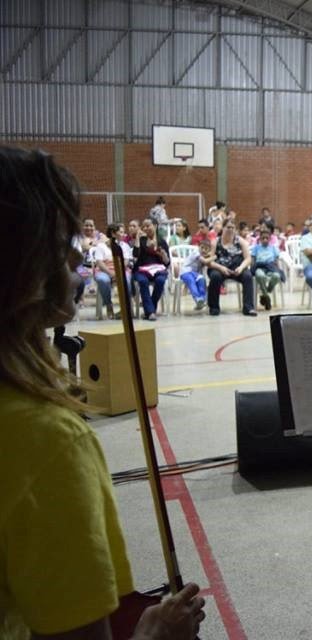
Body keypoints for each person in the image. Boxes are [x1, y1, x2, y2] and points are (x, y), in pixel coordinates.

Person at [0, 146, 206, 639]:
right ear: (18, 264)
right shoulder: (44, 438)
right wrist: (154, 632)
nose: (76, 255)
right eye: (59, 240)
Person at [206, 219, 256, 316]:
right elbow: (209, 262)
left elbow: (248, 259)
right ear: (223, 228)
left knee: (248, 276)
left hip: (236, 267)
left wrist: (241, 268)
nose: (230, 230)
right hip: (219, 267)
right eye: (228, 227)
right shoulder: (215, 242)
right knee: (215, 277)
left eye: (232, 228)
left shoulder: (241, 241)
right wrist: (221, 268)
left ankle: (248, 308)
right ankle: (214, 307)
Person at [132, 218, 170, 321]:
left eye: (148, 225)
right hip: (141, 269)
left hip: (158, 269)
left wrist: (164, 255)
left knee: (160, 280)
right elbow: (135, 255)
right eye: (143, 226)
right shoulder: (141, 240)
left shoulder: (161, 241)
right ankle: (151, 312)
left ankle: (150, 310)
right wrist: (137, 238)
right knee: (142, 281)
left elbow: (167, 263)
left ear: (155, 226)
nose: (145, 228)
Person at [251, 229, 282, 310]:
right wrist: (253, 269)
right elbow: (253, 260)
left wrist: (278, 269)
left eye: (267, 238)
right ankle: (267, 297)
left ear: (270, 239)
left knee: (276, 276)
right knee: (260, 276)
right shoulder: (256, 248)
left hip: (271, 267)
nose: (265, 240)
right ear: (260, 239)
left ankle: (264, 294)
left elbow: (276, 261)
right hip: (260, 267)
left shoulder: (273, 248)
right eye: (263, 238)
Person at [179, 239, 209, 312]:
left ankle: (202, 300)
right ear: (198, 247)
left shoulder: (204, 256)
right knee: (191, 281)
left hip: (195, 274)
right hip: (186, 272)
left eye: (206, 249)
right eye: (202, 247)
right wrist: (214, 257)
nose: (203, 250)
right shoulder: (196, 252)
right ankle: (197, 298)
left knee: (202, 279)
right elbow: (205, 261)